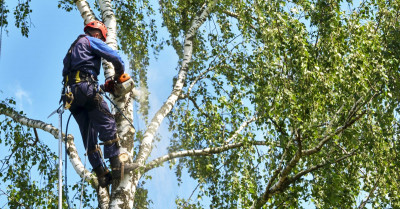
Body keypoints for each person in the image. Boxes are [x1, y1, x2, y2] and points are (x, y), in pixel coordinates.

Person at [62, 20, 134, 188]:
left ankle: (101, 173)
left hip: (71, 97)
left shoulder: (71, 51)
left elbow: (78, 78)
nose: (101, 42)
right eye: (101, 39)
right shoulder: (89, 40)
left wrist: (102, 87)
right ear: (97, 34)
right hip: (85, 89)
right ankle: (117, 166)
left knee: (89, 133)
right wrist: (119, 74)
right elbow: (115, 57)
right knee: (107, 121)